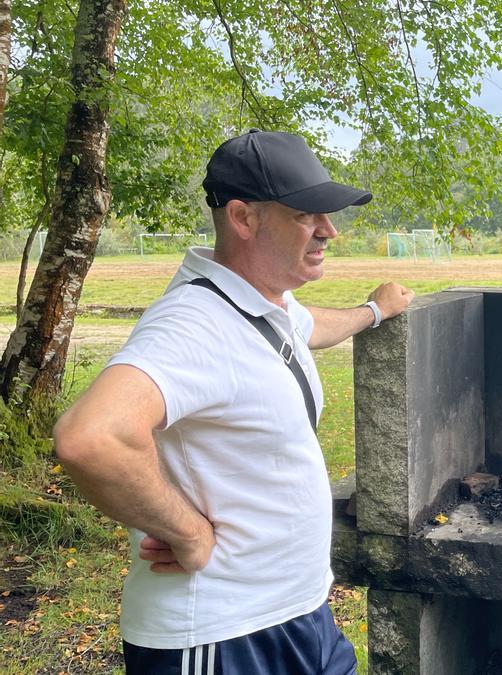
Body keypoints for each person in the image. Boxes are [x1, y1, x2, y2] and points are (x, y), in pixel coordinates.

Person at [54, 129, 415, 674]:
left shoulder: (264, 304)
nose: (329, 231)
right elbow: (91, 437)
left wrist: (374, 311)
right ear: (244, 219)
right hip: (223, 636)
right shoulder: (193, 323)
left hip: (300, 614)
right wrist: (188, 532)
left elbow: (311, 328)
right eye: (305, 215)